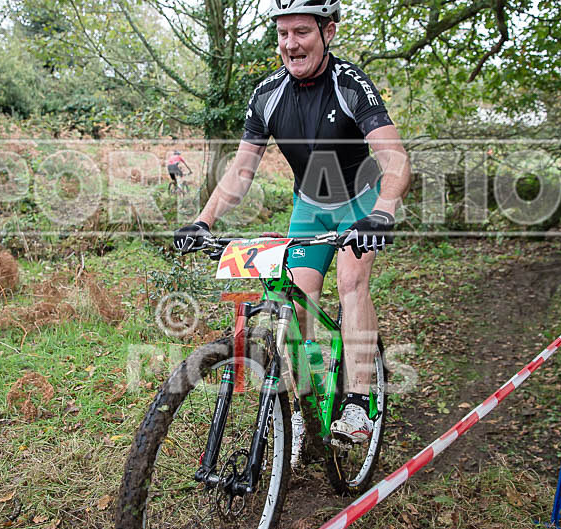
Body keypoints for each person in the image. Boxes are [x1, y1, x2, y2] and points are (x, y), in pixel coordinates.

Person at [173, 0, 411, 460]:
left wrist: (382, 211)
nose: (290, 43)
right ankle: (301, 413)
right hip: (310, 206)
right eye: (283, 33)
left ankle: (359, 403)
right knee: (297, 306)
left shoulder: (350, 84)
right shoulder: (268, 94)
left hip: (359, 202)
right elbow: (241, 170)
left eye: (301, 31)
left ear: (328, 32)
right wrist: (204, 220)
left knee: (351, 283)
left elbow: (394, 158)